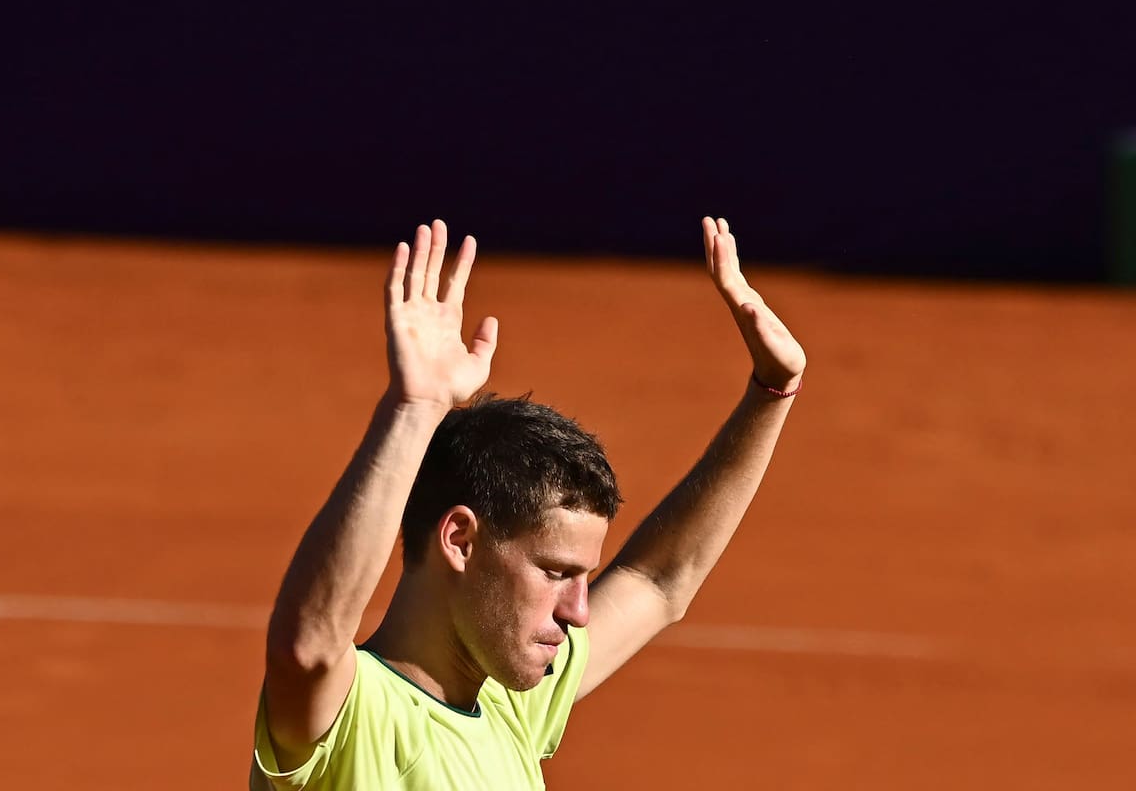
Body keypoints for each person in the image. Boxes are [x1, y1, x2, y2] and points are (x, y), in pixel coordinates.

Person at [250, 217, 807, 789]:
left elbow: (660, 579)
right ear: (461, 541)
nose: (578, 611)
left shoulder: (510, 705)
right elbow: (309, 646)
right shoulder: (354, 718)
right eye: (556, 571)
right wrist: (414, 410)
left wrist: (772, 391)